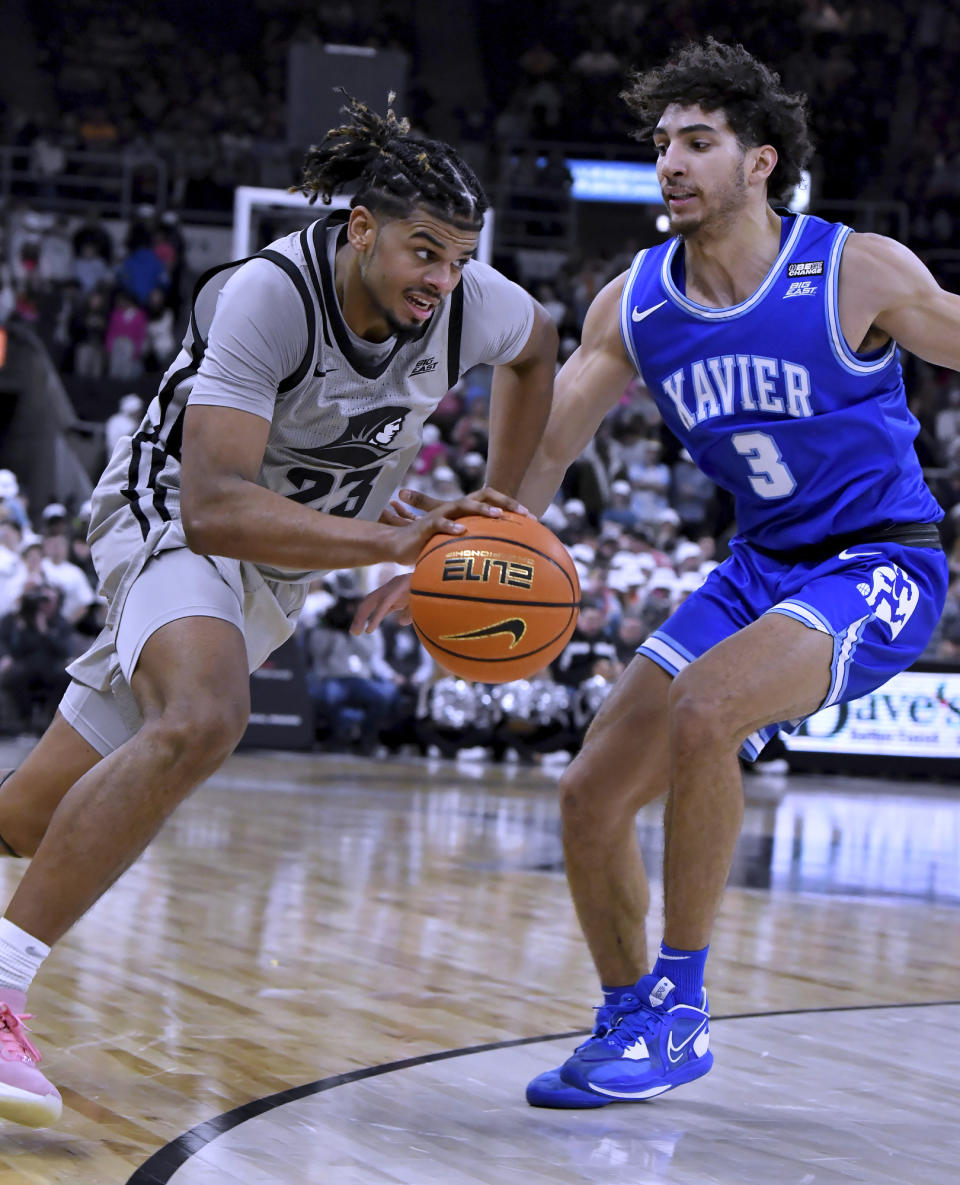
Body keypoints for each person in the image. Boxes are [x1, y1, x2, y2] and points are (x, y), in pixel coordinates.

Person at [365, 38, 953, 1108]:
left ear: (761, 162)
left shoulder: (854, 268)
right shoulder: (635, 304)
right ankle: (631, 1016)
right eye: (660, 146)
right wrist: (461, 555)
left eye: (697, 142)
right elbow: (545, 453)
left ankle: (683, 1009)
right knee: (589, 793)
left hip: (882, 563)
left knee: (705, 710)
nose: (670, 164)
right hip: (759, 567)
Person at [0, 94, 556, 1126]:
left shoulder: (471, 302)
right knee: (206, 717)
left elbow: (539, 350)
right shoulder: (270, 295)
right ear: (361, 229)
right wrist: (396, 542)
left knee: (28, 816)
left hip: (284, 560)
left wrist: (494, 521)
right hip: (169, 515)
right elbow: (213, 511)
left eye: (459, 258)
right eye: (421, 252)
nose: (442, 280)